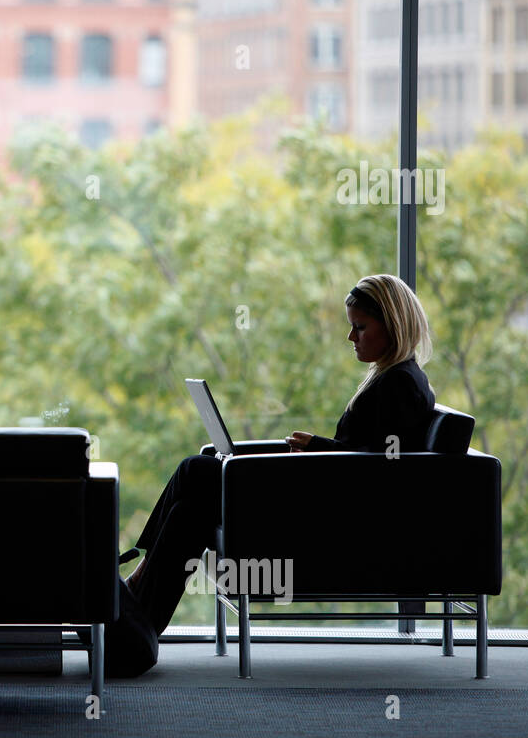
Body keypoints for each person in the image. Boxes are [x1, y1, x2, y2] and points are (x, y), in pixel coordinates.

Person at [102, 274, 437, 677]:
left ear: (394, 325)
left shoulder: (401, 384)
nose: (351, 337)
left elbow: (383, 473)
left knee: (196, 469)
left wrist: (319, 450)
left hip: (340, 518)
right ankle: (140, 626)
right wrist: (317, 449)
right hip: (331, 498)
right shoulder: (392, 379)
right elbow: (365, 457)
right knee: (190, 511)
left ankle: (137, 586)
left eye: (360, 327)